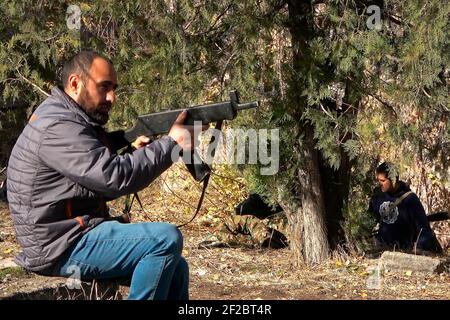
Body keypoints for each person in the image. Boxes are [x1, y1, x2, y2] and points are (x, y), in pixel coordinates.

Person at [6, 50, 202, 299]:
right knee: (165, 239)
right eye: (104, 87)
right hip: (59, 245)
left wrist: (131, 151)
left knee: (176, 268)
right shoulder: (59, 126)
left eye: (114, 88)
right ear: (75, 83)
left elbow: (86, 180)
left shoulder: (69, 118)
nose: (112, 97)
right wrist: (171, 143)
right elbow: (114, 178)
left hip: (68, 234)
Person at [368, 162, 442, 253]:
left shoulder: (410, 199)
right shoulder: (378, 195)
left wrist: (419, 250)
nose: (379, 183)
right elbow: (370, 219)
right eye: (378, 180)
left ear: (393, 179)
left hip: (401, 252)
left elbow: (423, 229)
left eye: (382, 181)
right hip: (380, 250)